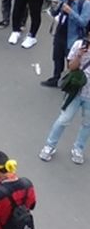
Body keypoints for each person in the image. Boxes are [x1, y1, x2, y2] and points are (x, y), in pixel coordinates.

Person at [38, 34, 90, 164]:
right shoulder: (79, 45)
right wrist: (79, 55)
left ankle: (78, 148)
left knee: (87, 124)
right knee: (63, 119)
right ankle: (50, 146)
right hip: (76, 92)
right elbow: (71, 67)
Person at [41, 0, 90, 87]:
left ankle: (70, 82)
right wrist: (55, 6)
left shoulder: (85, 4)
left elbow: (83, 22)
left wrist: (71, 12)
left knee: (71, 61)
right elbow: (54, 13)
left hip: (73, 38)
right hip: (60, 33)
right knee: (57, 58)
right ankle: (56, 78)